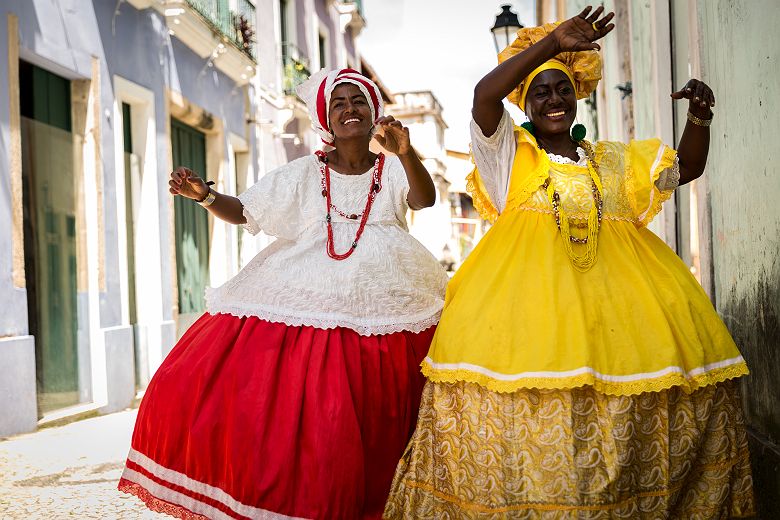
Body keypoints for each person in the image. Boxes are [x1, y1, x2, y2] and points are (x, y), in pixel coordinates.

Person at [384, 7, 754, 518]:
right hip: (525, 323)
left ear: (576, 96)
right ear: (527, 105)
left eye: (562, 89)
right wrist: (553, 43)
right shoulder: (508, 156)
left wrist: (701, 117)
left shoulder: (615, 161)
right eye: (541, 91)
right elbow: (485, 97)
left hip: (621, 322)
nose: (554, 99)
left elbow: (686, 167)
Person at [118, 68, 448, 520]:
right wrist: (205, 196)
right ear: (326, 120)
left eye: (358, 102)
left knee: (381, 412)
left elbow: (423, 199)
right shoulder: (303, 174)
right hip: (308, 289)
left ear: (374, 113)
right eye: (340, 104)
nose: (349, 109)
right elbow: (246, 211)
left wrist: (407, 154)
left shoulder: (392, 169)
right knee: (315, 417)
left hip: (388, 297)